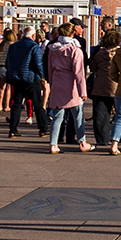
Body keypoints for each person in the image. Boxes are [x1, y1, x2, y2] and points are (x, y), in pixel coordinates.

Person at [44, 26, 91, 154]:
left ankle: (53, 144)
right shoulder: (75, 50)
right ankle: (82, 142)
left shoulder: (53, 49)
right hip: (72, 86)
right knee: (78, 116)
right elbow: (79, 73)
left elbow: (50, 69)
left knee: (57, 116)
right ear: (73, 33)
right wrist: (83, 92)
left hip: (58, 84)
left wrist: (52, 85)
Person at [2, 26, 47, 138]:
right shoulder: (34, 46)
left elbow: (8, 62)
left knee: (16, 104)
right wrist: (40, 75)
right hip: (30, 78)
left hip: (16, 78)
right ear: (33, 36)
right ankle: (42, 129)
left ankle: (13, 130)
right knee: (38, 104)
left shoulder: (13, 46)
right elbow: (38, 63)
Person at [87, 32, 118, 147]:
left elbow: (93, 67)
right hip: (117, 87)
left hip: (100, 87)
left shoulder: (100, 54)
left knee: (100, 115)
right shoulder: (119, 54)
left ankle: (102, 139)